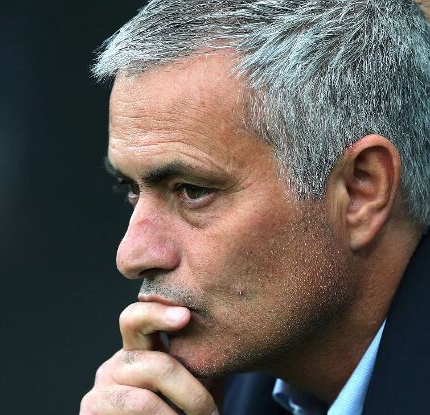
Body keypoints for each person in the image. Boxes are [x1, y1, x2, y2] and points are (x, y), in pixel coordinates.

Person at [79, 1, 430, 414]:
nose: (131, 257)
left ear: (360, 191)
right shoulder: (225, 389)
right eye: (132, 190)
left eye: (192, 191)